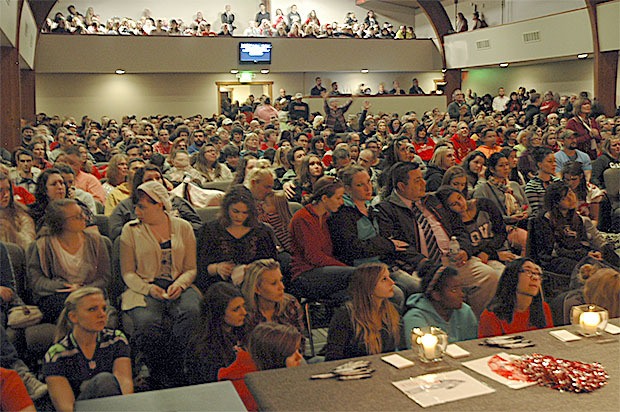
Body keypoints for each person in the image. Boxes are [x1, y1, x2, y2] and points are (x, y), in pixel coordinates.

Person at [119, 181, 201, 388]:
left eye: (142, 207)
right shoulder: (130, 230)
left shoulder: (183, 227)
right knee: (147, 323)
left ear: (160, 205)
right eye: (136, 206)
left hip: (178, 284)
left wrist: (180, 284)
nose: (137, 211)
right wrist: (148, 289)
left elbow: (191, 268)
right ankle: (159, 372)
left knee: (192, 313)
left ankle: (181, 368)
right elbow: (128, 273)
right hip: (144, 286)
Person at [328, 166, 418, 309]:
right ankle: (389, 329)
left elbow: (386, 239)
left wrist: (386, 244)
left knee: (417, 287)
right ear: (348, 189)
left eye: (369, 182)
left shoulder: (373, 208)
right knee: (396, 295)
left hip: (383, 264)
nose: (367, 188)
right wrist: (386, 244)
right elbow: (353, 248)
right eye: (360, 185)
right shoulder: (342, 214)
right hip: (361, 270)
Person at [43, 288, 132, 412]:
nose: (102, 314)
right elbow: (67, 408)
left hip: (114, 407)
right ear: (73, 317)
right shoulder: (57, 355)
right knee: (104, 381)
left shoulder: (116, 339)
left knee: (107, 382)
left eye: (103, 308)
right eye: (92, 309)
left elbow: (124, 385)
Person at [27, 199, 110, 323]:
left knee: (90, 306)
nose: (84, 218)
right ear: (61, 223)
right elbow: (36, 281)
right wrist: (64, 287)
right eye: (77, 217)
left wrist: (83, 289)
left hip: (90, 292)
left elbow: (104, 277)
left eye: (83, 213)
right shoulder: (42, 246)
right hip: (57, 296)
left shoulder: (96, 241)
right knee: (71, 308)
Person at [529, 181, 618, 279]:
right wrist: (585, 255)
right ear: (555, 203)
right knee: (592, 270)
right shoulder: (544, 220)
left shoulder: (578, 219)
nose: (571, 198)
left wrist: (593, 252)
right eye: (565, 197)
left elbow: (581, 243)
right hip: (556, 260)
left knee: (608, 256)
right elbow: (554, 250)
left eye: (571, 193)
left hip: (578, 255)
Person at [196, 185, 277, 291]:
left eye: (245, 213)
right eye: (235, 211)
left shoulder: (262, 232)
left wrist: (252, 270)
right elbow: (199, 268)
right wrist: (216, 268)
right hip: (220, 288)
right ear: (226, 208)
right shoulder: (210, 231)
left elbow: (272, 266)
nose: (239, 217)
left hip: (255, 287)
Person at [289, 176, 356, 301]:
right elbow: (314, 257)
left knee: (359, 295)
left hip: (322, 271)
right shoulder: (303, 218)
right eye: (338, 198)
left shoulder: (326, 217)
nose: (341, 202)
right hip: (305, 273)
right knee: (357, 275)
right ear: (324, 198)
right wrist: (344, 267)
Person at [324, 263, 402, 361]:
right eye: (384, 279)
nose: (392, 282)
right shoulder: (346, 315)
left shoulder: (393, 311)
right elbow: (333, 358)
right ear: (368, 286)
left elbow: (401, 350)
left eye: (389, 277)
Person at [219, 322, 303, 412]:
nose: (299, 357)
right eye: (291, 353)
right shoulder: (248, 394)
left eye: (298, 350)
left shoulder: (270, 377)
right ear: (274, 358)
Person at [108, 165, 202, 241]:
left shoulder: (176, 201)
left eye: (158, 178)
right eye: (149, 179)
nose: (155, 182)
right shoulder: (127, 205)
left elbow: (197, 225)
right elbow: (114, 231)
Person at [185, 282, 247, 384]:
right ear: (219, 313)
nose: (244, 312)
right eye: (236, 309)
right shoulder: (203, 348)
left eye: (243, 306)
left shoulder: (245, 330)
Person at [403, 262, 478, 347]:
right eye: (454, 290)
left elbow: (472, 345)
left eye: (461, 288)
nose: (461, 294)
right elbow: (420, 352)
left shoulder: (465, 311)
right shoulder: (415, 318)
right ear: (436, 295)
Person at [478, 259, 553, 337]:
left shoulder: (544, 308)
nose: (535, 278)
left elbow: (549, 341)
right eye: (528, 271)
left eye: (538, 274)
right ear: (512, 277)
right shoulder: (491, 316)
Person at [474, 152, 529, 253]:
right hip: (501, 228)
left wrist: (525, 213)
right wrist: (510, 219)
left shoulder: (514, 185)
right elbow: (486, 217)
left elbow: (527, 206)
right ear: (491, 169)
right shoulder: (484, 189)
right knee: (526, 239)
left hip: (522, 222)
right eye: (501, 166)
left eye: (507, 164)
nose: (506, 168)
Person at [241, 259, 305, 339]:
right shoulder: (243, 312)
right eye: (273, 283)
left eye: (281, 280)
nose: (282, 287)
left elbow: (299, 341)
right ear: (257, 289)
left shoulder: (291, 304)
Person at [0, 172, 35, 250]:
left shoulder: (21, 216)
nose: (6, 195)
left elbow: (29, 247)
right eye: (0, 190)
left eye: (8, 190)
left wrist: (11, 231)